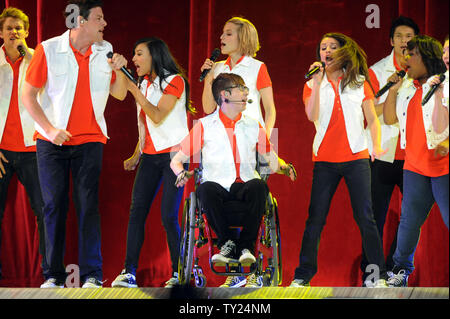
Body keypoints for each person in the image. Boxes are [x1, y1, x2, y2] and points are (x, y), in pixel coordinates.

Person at [21, 0, 128, 288]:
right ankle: (53, 275)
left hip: (91, 139)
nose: (104, 24)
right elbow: (28, 96)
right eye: (99, 18)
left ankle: (92, 274)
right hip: (51, 141)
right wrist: (50, 129)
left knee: (88, 205)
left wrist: (120, 69)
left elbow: (118, 94)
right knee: (53, 205)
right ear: (81, 21)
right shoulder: (49, 49)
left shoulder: (105, 50)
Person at [170, 73, 296, 288]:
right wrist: (181, 172)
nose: (247, 92)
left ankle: (246, 247)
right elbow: (177, 160)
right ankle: (227, 243)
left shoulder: (254, 125)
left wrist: (283, 167)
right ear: (225, 95)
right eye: (241, 88)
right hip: (217, 186)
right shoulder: (205, 125)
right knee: (205, 189)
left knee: (259, 186)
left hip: (244, 185)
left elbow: (271, 162)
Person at [290, 33, 388, 288]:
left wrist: (375, 146)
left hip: (356, 157)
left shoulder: (359, 83)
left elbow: (372, 119)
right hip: (325, 159)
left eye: (333, 47)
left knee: (366, 217)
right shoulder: (313, 84)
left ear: (344, 52)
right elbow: (311, 115)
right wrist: (315, 82)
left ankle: (377, 276)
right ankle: (302, 275)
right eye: (323, 47)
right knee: (316, 218)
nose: (327, 51)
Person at [111, 37, 194, 288]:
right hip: (149, 155)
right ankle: (129, 272)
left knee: (168, 215)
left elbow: (157, 116)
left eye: (139, 54)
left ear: (154, 55)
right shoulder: (143, 83)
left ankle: (178, 273)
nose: (134, 60)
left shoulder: (175, 80)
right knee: (137, 212)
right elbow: (119, 96)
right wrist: (137, 153)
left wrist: (135, 90)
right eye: (133, 55)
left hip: (174, 156)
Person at [383, 35, 448, 287]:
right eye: (405, 54)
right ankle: (400, 271)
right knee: (409, 221)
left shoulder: (445, 83)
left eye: (412, 54)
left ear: (428, 58)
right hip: (415, 166)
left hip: (444, 166)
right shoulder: (408, 89)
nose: (406, 59)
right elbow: (389, 119)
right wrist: (392, 91)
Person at [361, 16, 420, 286]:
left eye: (409, 36)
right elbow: (369, 110)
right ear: (391, 41)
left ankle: (397, 270)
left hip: (414, 156)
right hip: (383, 153)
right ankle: (372, 273)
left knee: (412, 216)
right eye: (399, 36)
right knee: (374, 216)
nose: (404, 41)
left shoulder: (424, 71)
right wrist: (390, 99)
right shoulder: (377, 71)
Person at [0, 7, 49, 283]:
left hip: (33, 150)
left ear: (26, 33)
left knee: (45, 212)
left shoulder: (37, 59)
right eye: (9, 28)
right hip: (2, 152)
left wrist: (29, 54)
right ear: (0, 33)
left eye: (19, 28)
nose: (14, 32)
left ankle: (50, 275)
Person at [200, 17, 276, 137]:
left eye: (228, 34)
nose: (221, 37)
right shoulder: (217, 68)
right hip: (223, 136)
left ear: (243, 39)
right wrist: (208, 78)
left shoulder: (257, 67)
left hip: (250, 135)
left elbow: (270, 109)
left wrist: (265, 139)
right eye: (222, 33)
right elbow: (208, 108)